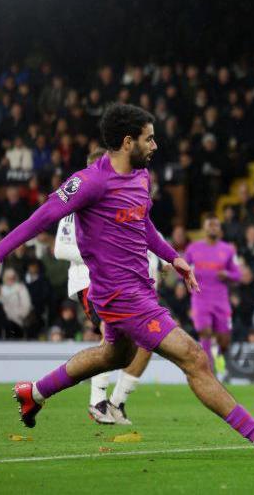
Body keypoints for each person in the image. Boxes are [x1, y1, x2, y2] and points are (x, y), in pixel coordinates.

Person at [0, 104, 254, 459]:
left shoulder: (141, 176)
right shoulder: (90, 182)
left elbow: (143, 223)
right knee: (194, 357)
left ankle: (34, 393)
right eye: (149, 139)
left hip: (140, 288)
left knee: (115, 355)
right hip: (120, 296)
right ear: (128, 142)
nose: (155, 145)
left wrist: (173, 257)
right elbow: (43, 216)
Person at [53, 147, 164, 425]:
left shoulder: (120, 199)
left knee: (149, 339)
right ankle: (97, 401)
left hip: (125, 281)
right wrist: (102, 253)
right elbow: (60, 249)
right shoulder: (76, 202)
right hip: (89, 280)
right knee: (110, 333)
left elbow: (143, 233)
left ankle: (117, 402)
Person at [184, 214, 242, 381]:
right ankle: (208, 372)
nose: (213, 228)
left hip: (221, 300)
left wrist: (227, 274)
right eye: (210, 225)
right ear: (204, 228)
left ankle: (220, 362)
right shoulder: (193, 248)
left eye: (216, 225)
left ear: (220, 229)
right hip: (200, 298)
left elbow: (238, 275)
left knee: (224, 340)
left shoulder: (228, 250)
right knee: (205, 332)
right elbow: (182, 269)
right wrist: (187, 279)